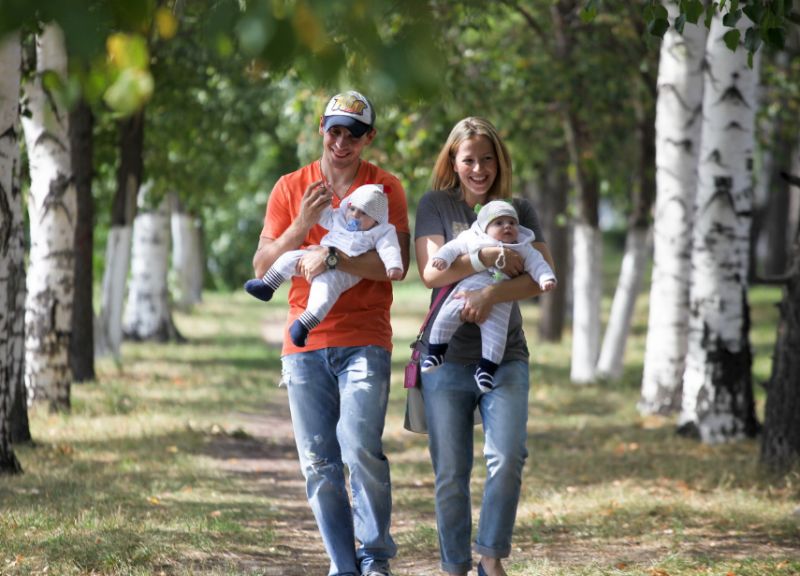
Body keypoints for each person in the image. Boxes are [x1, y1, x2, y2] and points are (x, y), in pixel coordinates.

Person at [251, 90, 410, 576]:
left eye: (354, 133)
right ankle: (344, 566)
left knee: (360, 446)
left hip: (365, 337)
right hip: (305, 346)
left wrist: (337, 257)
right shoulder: (290, 186)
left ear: (369, 138)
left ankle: (375, 557)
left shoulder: (386, 189)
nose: (342, 141)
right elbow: (261, 267)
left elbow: (392, 267)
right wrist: (301, 224)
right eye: (335, 130)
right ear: (322, 128)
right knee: (319, 464)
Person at [414, 117, 555, 576]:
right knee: (451, 474)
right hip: (447, 357)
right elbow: (432, 273)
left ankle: (490, 558)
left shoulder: (519, 210)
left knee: (508, 456)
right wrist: (485, 258)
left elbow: (541, 277)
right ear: (453, 162)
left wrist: (490, 292)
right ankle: (454, 565)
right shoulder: (435, 205)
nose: (479, 169)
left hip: (506, 353)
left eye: (487, 159)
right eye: (468, 159)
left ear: (499, 160)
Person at [244, 183, 403, 347]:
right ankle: (267, 286)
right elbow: (324, 217)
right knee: (289, 258)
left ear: (376, 219)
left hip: (344, 269)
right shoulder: (341, 218)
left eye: (363, 213)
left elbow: (389, 248)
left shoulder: (381, 231)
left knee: (323, 292)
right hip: (315, 253)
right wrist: (324, 199)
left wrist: (394, 266)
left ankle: (303, 325)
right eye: (352, 209)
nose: (354, 215)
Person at [421, 200, 556, 392]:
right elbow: (453, 248)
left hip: (500, 302)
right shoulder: (476, 239)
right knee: (446, 316)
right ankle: (436, 352)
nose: (507, 226)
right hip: (466, 291)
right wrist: (442, 258)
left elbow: (539, 264)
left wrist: (545, 278)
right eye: (499, 223)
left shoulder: (523, 248)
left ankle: (486, 369)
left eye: (511, 222)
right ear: (485, 228)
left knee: (496, 337)